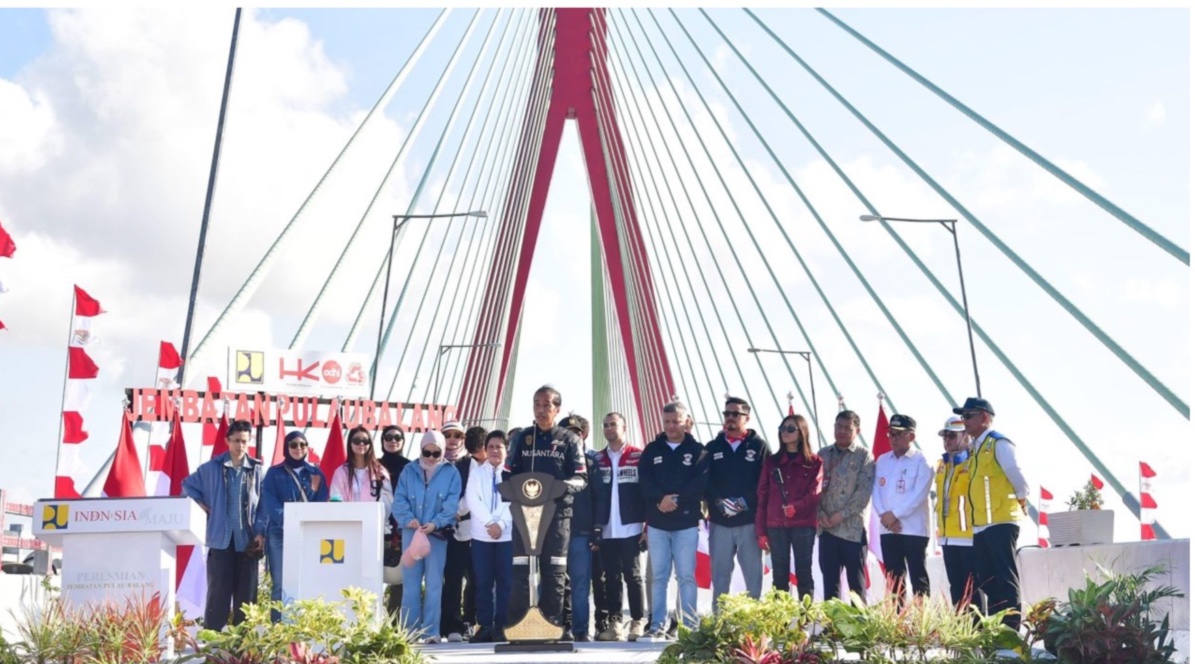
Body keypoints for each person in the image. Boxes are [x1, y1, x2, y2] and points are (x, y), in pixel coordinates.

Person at [503, 386, 588, 639]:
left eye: (547, 405)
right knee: (521, 570)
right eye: (537, 404)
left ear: (557, 409)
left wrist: (559, 488)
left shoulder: (570, 439)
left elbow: (581, 478)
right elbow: (507, 474)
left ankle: (552, 625)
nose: (541, 410)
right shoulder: (521, 437)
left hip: (558, 515)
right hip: (524, 515)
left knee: (555, 571)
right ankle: (518, 627)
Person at [181, 419, 265, 631]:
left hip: (247, 543)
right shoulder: (211, 468)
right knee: (217, 597)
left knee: (246, 601)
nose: (240, 445)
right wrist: (201, 503)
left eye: (244, 441)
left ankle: (243, 651)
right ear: (227, 440)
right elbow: (187, 485)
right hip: (220, 541)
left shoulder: (257, 470)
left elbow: (265, 505)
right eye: (236, 440)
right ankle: (213, 650)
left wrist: (261, 532)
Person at [639, 401, 708, 642]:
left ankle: (689, 626)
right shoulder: (652, 450)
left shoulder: (698, 450)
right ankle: (656, 625)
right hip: (658, 523)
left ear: (686, 422)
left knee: (686, 576)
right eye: (666, 421)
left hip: (686, 524)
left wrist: (675, 499)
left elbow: (700, 483)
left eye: (675, 421)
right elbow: (644, 481)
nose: (670, 425)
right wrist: (660, 499)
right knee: (659, 576)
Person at [959, 397, 1028, 630]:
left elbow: (1015, 474)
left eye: (969, 416)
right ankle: (998, 625)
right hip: (981, 524)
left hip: (1001, 521)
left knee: (1005, 577)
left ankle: (1010, 629)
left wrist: (1021, 497)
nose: (964, 421)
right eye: (963, 416)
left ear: (985, 417)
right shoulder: (975, 448)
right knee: (984, 577)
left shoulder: (998, 443)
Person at [392, 431, 462, 644]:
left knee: (434, 583)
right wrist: (408, 519)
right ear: (421, 449)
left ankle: (431, 631)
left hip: (437, 535)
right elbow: (399, 500)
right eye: (427, 452)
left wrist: (436, 523)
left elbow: (452, 503)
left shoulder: (451, 473)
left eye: (436, 452)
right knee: (410, 583)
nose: (431, 457)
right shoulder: (408, 470)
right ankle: (410, 631)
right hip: (411, 533)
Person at [256, 430, 329, 622]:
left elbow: (322, 502)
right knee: (280, 583)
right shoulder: (274, 472)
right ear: (286, 447)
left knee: (309, 581)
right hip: (280, 534)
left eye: (303, 445)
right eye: (294, 445)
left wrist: (307, 524)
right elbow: (270, 503)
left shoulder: (316, 473)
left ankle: (307, 626)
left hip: (309, 535)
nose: (298, 448)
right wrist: (290, 523)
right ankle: (277, 628)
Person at [705, 396, 767, 607]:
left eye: (735, 414)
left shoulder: (759, 446)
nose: (730, 418)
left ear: (746, 418)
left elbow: (764, 482)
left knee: (753, 578)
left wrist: (743, 502)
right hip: (720, 521)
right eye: (727, 414)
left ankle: (753, 627)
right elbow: (705, 480)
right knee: (720, 577)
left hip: (749, 522)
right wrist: (718, 501)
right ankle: (719, 624)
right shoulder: (712, 446)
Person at [755, 414, 822, 600]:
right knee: (779, 575)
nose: (785, 432)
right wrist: (761, 532)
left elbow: (816, 492)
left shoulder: (814, 462)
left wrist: (797, 507)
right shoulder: (771, 462)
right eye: (783, 429)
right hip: (776, 525)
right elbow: (762, 496)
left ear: (802, 433)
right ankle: (781, 622)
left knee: (804, 573)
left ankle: (805, 619)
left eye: (791, 429)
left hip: (803, 525)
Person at [593, 412, 646, 642]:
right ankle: (615, 623)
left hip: (631, 526)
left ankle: (637, 621)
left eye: (613, 424)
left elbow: (646, 493)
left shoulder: (638, 455)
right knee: (611, 577)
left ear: (624, 427)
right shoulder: (597, 459)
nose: (609, 428)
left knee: (633, 575)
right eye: (605, 425)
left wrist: (647, 526)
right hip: (606, 528)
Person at [872, 414, 934, 605]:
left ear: (911, 437)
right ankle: (898, 623)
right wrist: (884, 515)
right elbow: (875, 489)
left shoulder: (922, 460)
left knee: (918, 577)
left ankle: (921, 622)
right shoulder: (882, 460)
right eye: (891, 434)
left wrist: (894, 515)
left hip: (914, 529)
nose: (893, 438)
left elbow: (919, 495)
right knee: (894, 578)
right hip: (888, 529)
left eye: (899, 434)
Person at [817, 410, 875, 603]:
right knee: (830, 586)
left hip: (852, 532)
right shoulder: (822, 455)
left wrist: (840, 515)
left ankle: (859, 630)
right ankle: (831, 629)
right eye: (838, 426)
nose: (842, 431)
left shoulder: (864, 456)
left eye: (847, 428)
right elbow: (811, 489)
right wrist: (820, 514)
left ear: (857, 430)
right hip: (826, 531)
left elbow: (863, 493)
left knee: (856, 588)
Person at [466, 430, 513, 644]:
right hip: (481, 536)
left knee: (505, 582)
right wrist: (489, 523)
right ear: (485, 449)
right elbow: (472, 499)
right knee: (483, 582)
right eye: (491, 446)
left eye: (499, 446)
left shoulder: (513, 472)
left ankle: (502, 626)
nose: (494, 450)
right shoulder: (476, 472)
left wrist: (501, 524)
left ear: (506, 449)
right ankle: (484, 626)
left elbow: (514, 501)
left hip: (506, 536)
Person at [560, 414, 603, 641]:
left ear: (583, 435)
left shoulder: (591, 464)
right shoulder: (553, 463)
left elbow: (600, 499)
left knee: (580, 585)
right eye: (567, 433)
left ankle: (580, 630)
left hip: (581, 532)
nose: (573, 436)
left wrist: (597, 530)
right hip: (555, 531)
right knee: (554, 583)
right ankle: (557, 628)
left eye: (577, 432)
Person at [440, 421, 481, 642]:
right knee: (444, 579)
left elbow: (472, 493)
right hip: (438, 529)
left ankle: (462, 623)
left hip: (464, 529)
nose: (452, 440)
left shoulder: (471, 463)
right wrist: (445, 513)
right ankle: (443, 624)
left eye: (457, 435)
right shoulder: (435, 460)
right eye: (448, 435)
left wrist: (455, 510)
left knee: (465, 578)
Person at [933, 415, 975, 610]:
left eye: (952, 436)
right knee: (956, 587)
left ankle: (977, 630)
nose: (947, 441)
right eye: (945, 437)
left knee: (972, 588)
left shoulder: (972, 462)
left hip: (968, 536)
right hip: (947, 536)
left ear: (965, 436)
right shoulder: (942, 465)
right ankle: (961, 629)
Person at [378, 425, 410, 619]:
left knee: (401, 580)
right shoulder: (374, 465)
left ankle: (394, 624)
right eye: (388, 437)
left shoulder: (411, 466)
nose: (393, 440)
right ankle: (373, 621)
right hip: (378, 527)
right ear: (382, 440)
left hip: (404, 527)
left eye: (397, 437)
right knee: (375, 575)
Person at [331, 426, 394, 514]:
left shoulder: (380, 471)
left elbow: (387, 502)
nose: (361, 444)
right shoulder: (341, 472)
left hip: (373, 522)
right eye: (357, 440)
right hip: (347, 522)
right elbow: (335, 499)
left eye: (365, 441)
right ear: (350, 443)